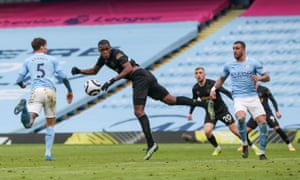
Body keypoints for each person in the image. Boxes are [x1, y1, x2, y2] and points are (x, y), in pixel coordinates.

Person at [70, 39, 214, 160]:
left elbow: (128, 69)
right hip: (145, 76)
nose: (105, 52)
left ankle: (151, 144)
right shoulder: (103, 58)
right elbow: (94, 70)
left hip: (140, 77)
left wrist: (111, 81)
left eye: (106, 49)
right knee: (170, 100)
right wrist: (80, 71)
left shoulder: (117, 54)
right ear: (100, 51)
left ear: (110, 48)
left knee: (139, 112)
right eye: (102, 50)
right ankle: (204, 104)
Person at [14, 37, 73, 161]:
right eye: (45, 46)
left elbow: (19, 80)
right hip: (50, 92)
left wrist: (23, 85)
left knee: (29, 124)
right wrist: (69, 90)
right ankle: (47, 153)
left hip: (36, 91)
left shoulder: (28, 60)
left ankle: (25, 109)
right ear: (41, 46)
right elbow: (64, 77)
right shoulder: (52, 59)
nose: (47, 48)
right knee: (50, 123)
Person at [210, 40, 270, 160]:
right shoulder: (228, 65)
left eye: (237, 48)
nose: (235, 51)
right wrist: (213, 88)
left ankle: (262, 152)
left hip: (253, 97)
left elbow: (267, 77)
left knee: (263, 124)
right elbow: (221, 79)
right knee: (241, 118)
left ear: (243, 49)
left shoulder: (253, 63)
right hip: (238, 98)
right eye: (233, 48)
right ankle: (244, 143)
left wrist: (260, 78)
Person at [186, 67, 259, 156]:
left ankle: (253, 147)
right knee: (207, 131)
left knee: (236, 132)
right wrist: (190, 113)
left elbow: (225, 92)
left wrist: (236, 100)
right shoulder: (195, 88)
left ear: (204, 74)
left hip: (222, 111)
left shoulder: (213, 84)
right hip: (210, 113)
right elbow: (194, 101)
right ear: (194, 76)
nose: (198, 75)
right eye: (196, 73)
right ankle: (217, 148)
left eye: (200, 73)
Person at [244, 85, 296, 152]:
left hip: (267, 113)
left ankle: (289, 144)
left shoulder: (264, 89)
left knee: (277, 128)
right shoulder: (249, 90)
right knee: (245, 132)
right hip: (256, 114)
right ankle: (245, 145)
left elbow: (273, 100)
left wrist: (277, 111)